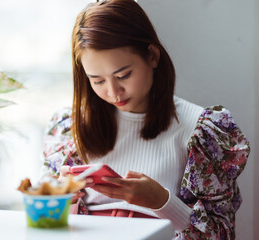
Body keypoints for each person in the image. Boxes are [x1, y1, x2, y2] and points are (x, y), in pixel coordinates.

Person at [41, 0, 250, 239]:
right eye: (97, 81)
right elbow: (46, 223)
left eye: (123, 75)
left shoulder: (200, 131)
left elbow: (220, 234)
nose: (113, 91)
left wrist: (162, 202)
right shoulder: (70, 128)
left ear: (152, 56)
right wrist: (62, 200)